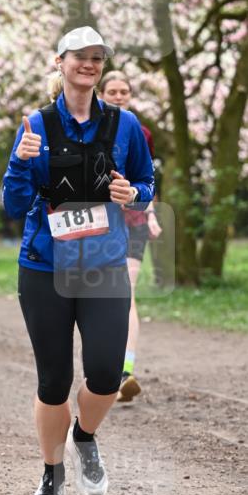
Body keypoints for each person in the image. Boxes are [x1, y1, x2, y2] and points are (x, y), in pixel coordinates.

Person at [3, 27, 154, 495]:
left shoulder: (125, 124)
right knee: (53, 379)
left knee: (108, 374)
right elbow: (14, 205)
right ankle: (51, 476)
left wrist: (135, 194)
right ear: (60, 62)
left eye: (97, 58)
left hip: (103, 263)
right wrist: (21, 166)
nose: (88, 64)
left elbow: (146, 180)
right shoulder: (36, 124)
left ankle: (84, 435)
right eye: (79, 57)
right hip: (45, 264)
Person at [99, 71, 162, 403]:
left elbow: (146, 175)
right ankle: (100, 366)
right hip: (98, 223)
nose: (119, 96)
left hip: (134, 219)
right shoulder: (87, 130)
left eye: (124, 91)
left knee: (127, 292)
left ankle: (125, 370)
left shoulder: (141, 132)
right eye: (112, 91)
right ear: (101, 94)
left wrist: (151, 212)